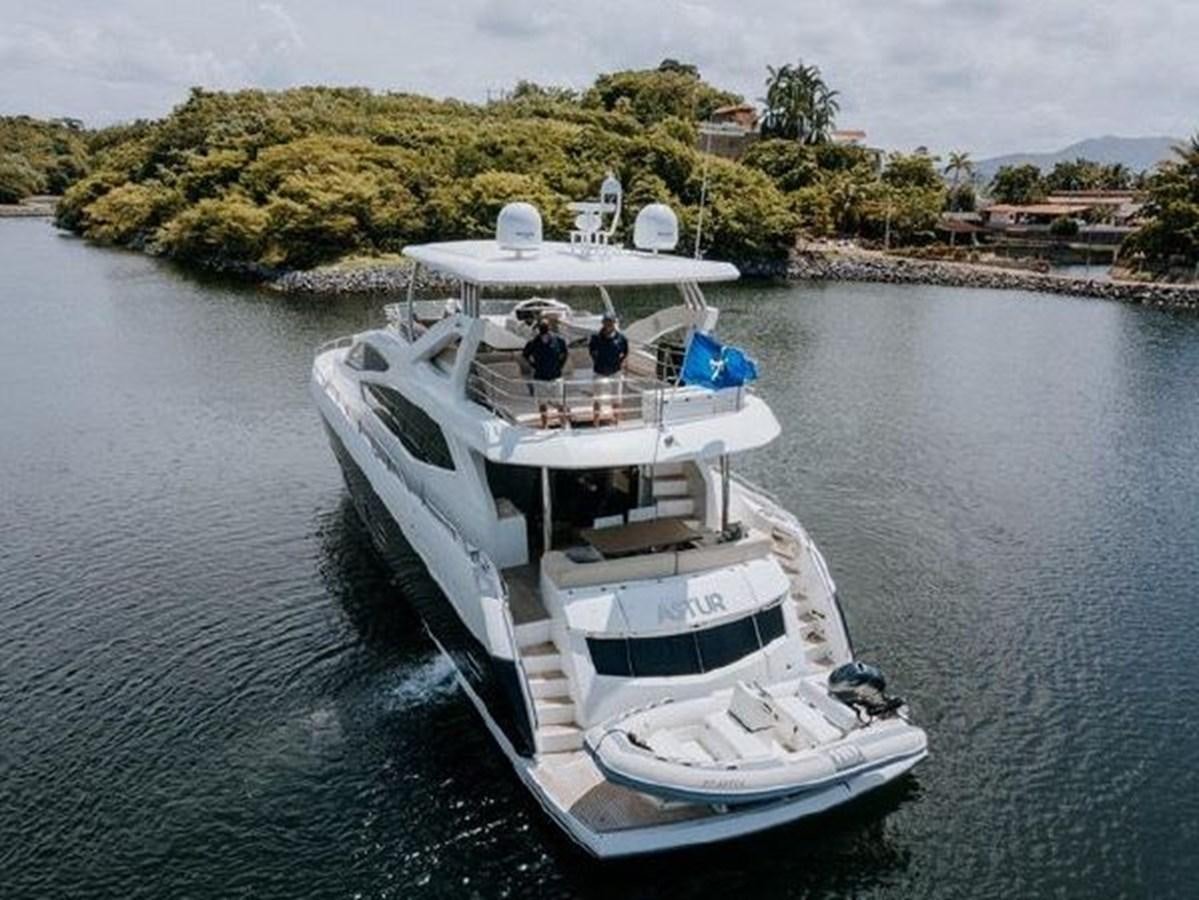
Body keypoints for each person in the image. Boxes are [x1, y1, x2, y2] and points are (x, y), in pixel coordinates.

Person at [522, 319, 568, 428]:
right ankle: (544, 425)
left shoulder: (559, 340)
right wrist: (533, 365)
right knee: (542, 404)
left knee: (560, 403)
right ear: (539, 329)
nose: (544, 328)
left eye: (545, 326)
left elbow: (565, 353)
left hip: (556, 376)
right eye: (542, 326)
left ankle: (563, 424)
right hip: (540, 377)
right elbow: (525, 355)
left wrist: (560, 365)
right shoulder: (533, 342)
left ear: (549, 327)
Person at [588, 314, 628, 424]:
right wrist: (597, 360)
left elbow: (625, 352)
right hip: (600, 370)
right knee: (597, 397)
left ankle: (617, 420)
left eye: (611, 322)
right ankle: (596, 421)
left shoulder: (621, 338)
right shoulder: (595, 337)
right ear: (603, 323)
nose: (608, 324)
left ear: (614, 323)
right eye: (606, 322)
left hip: (615, 370)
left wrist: (619, 362)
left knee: (616, 397)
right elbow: (591, 351)